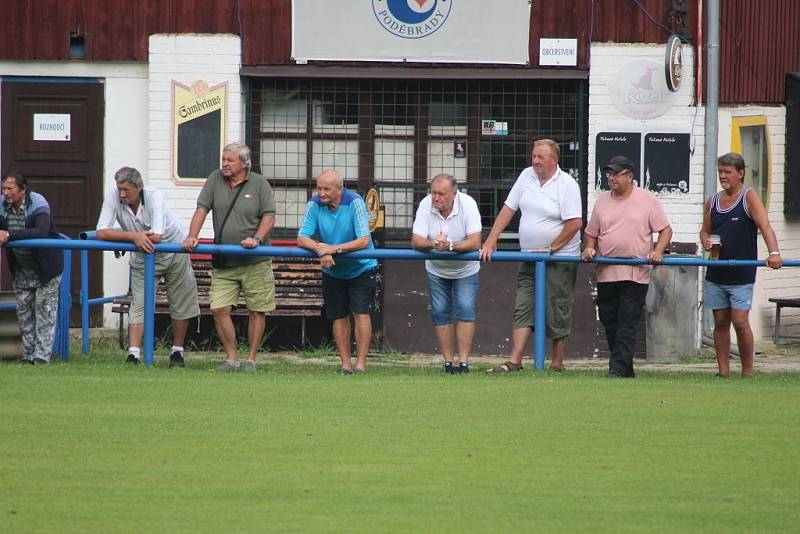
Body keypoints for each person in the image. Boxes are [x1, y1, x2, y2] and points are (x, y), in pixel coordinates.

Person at [480, 139, 582, 372]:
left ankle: (557, 363)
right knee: (523, 305)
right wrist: (492, 238)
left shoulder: (566, 184)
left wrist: (551, 249)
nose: (535, 161)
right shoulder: (526, 176)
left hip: (559, 258)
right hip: (527, 256)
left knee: (557, 307)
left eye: (541, 157)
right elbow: (508, 208)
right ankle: (515, 361)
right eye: (534, 156)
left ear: (554, 160)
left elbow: (575, 222)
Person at [182, 142, 277, 372]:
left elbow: (269, 216)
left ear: (244, 164)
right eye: (223, 159)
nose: (224, 163)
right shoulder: (215, 179)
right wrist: (192, 236)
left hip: (255, 261)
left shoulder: (259, 184)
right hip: (224, 260)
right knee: (218, 309)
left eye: (230, 160)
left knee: (257, 310)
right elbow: (201, 209)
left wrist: (257, 239)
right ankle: (232, 358)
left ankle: (251, 360)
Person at [96, 167, 200, 367]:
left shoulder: (154, 197)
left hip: (173, 249)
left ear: (138, 187)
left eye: (126, 189)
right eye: (119, 189)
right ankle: (133, 354)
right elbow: (101, 231)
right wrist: (131, 237)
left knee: (180, 301)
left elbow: (158, 236)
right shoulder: (113, 196)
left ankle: (177, 352)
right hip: (143, 253)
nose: (122, 194)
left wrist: (125, 238)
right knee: (139, 302)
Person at [582, 155, 672, 378]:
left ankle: (617, 369)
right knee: (609, 319)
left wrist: (657, 251)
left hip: (635, 273)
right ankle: (624, 367)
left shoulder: (647, 200)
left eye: (615, 174)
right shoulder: (602, 201)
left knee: (627, 320)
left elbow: (665, 230)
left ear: (629, 176)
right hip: (606, 272)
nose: (610, 178)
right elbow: (591, 233)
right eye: (609, 174)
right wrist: (589, 248)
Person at [700, 152, 783, 378]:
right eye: (720, 172)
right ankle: (723, 372)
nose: (723, 176)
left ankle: (748, 372)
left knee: (740, 320)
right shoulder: (713, 202)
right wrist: (705, 240)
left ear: (741, 173)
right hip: (717, 272)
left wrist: (774, 253)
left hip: (742, 272)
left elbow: (765, 226)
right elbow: (705, 230)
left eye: (727, 172)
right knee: (720, 321)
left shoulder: (749, 197)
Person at [297, 170, 378, 374]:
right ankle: (345, 364)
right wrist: (319, 249)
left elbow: (363, 240)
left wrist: (333, 249)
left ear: (339, 189)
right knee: (338, 315)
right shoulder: (315, 204)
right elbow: (302, 237)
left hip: (362, 266)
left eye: (326, 189)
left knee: (360, 312)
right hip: (333, 271)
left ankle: (361, 363)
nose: (321, 193)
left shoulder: (355, 202)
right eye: (319, 188)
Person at [411, 174, 482, 374]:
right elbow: (416, 241)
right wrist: (434, 243)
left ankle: (464, 363)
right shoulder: (426, 204)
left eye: (441, 194)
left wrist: (449, 245)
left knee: (466, 311)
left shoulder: (468, 204)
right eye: (433, 192)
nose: (436, 198)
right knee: (440, 313)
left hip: (466, 269)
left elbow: (475, 242)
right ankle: (448, 363)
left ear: (454, 194)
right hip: (436, 268)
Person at [0, 172, 63, 365]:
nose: (6, 193)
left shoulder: (38, 202)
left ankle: (41, 358)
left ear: (23, 190)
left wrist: (9, 234)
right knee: (24, 313)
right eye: (3, 189)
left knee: (44, 313)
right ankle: (28, 356)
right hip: (21, 269)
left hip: (46, 270)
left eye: (10, 189)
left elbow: (41, 231)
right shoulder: (2, 204)